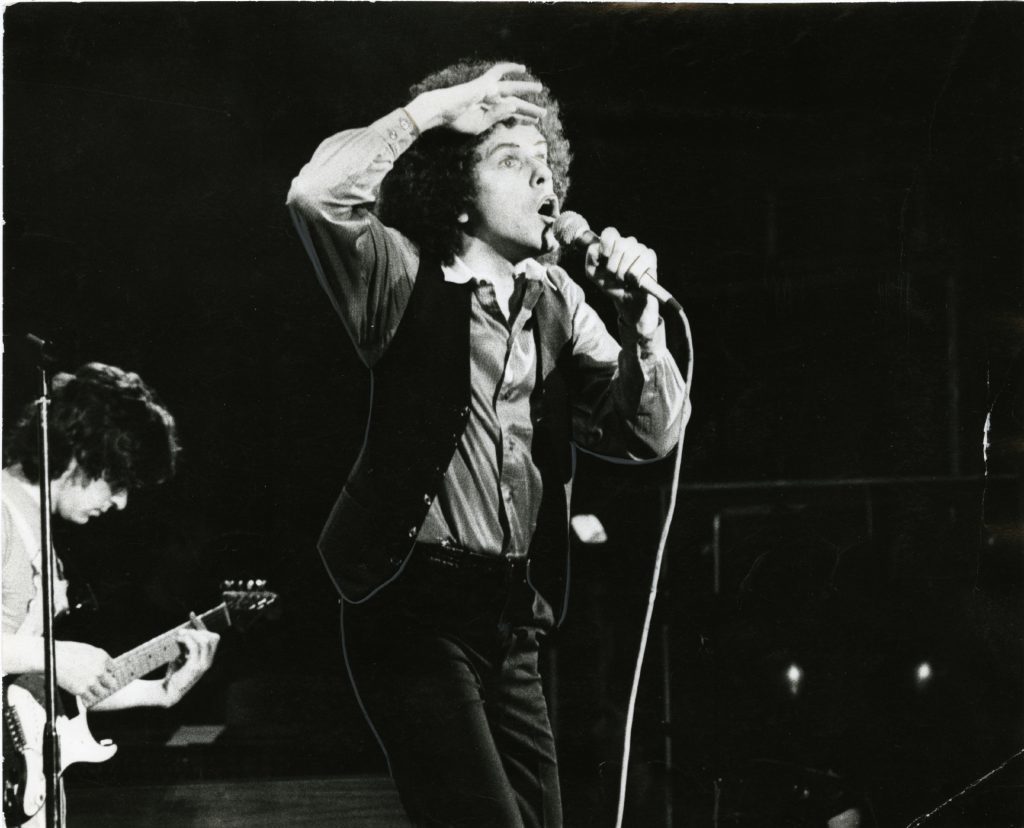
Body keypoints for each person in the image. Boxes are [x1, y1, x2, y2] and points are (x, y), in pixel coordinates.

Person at [287, 60, 689, 826]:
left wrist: (645, 329)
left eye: (547, 168)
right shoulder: (400, 277)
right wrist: (436, 112)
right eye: (512, 163)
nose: (545, 184)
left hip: (513, 618)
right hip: (410, 607)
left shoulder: (557, 299)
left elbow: (649, 434)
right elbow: (315, 195)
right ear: (457, 194)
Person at [2, 362, 219, 825]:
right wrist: (54, 654)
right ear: (80, 455)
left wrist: (159, 691)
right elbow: (45, 661)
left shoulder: (40, 540)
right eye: (117, 482)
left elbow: (36, 695)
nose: (120, 503)